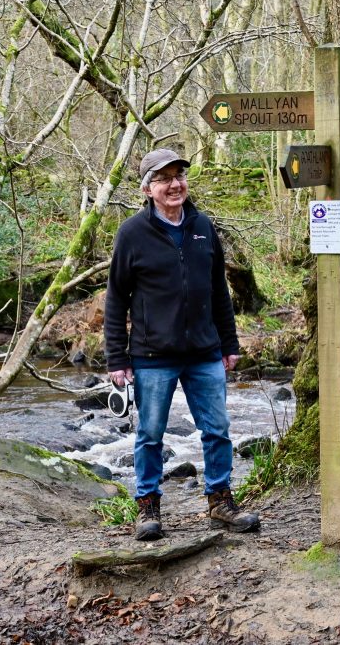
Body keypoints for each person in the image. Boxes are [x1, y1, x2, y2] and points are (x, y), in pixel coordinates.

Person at [105, 148, 259, 541]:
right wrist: (116, 359)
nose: (175, 185)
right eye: (164, 178)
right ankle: (147, 508)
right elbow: (116, 298)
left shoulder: (203, 226)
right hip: (152, 356)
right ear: (148, 188)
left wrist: (230, 342)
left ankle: (221, 502)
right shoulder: (132, 234)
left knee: (218, 429)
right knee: (150, 434)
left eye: (179, 176)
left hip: (205, 352)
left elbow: (218, 291)